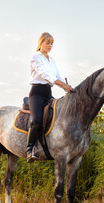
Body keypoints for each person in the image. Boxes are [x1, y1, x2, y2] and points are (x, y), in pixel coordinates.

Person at [27, 32, 73, 163]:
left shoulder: (52, 60)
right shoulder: (36, 57)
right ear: (40, 43)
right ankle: (29, 149)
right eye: (47, 43)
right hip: (37, 92)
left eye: (52, 43)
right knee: (37, 119)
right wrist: (62, 84)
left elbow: (57, 76)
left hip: (48, 92)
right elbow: (45, 75)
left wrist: (67, 87)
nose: (50, 45)